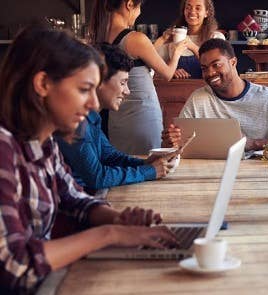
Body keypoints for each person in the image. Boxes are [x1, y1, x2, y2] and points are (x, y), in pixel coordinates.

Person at [0, 26, 177, 293]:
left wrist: (119, 219)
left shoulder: (43, 142)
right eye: (84, 89)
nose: (94, 104)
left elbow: (74, 200)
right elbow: (15, 266)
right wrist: (109, 234)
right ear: (43, 84)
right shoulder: (4, 148)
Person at [56, 44, 177, 194]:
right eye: (122, 82)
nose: (127, 91)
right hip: (79, 204)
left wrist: (145, 163)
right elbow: (97, 177)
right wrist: (148, 171)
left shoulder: (92, 116)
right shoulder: (76, 122)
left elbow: (110, 157)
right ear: (98, 81)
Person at [162, 39, 268, 151]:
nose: (210, 73)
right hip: (210, 174)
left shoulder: (267, 97)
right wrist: (170, 141)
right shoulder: (198, 99)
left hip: (259, 175)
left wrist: (255, 143)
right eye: (204, 68)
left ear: (233, 62)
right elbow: (176, 144)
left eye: (216, 65)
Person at [89, 0, 188, 155]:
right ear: (129, 4)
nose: (139, 12)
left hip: (116, 119)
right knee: (148, 165)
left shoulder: (101, 35)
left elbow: (138, 59)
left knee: (125, 166)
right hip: (141, 114)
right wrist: (177, 52)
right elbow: (167, 74)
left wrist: (161, 40)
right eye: (139, 6)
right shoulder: (135, 38)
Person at [154, 0, 225, 79]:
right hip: (177, 89)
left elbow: (218, 68)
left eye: (198, 8)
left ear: (206, 13)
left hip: (207, 89)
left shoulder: (216, 38)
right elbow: (153, 69)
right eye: (188, 7)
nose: (192, 11)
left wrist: (192, 46)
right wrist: (171, 72)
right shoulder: (173, 37)